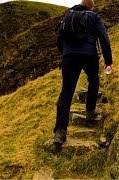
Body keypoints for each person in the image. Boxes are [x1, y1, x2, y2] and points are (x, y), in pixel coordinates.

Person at [53, 0, 114, 145]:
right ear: (91, 7)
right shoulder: (94, 16)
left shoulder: (68, 15)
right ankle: (90, 111)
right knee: (94, 79)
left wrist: (65, 53)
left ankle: (60, 132)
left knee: (66, 91)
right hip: (89, 55)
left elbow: (59, 39)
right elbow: (104, 38)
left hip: (69, 57)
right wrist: (108, 61)